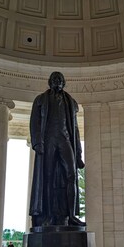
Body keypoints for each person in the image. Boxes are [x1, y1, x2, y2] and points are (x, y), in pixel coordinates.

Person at [29, 71, 85, 227]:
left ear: (64, 82)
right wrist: (37, 143)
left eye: (59, 79)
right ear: (49, 82)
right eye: (54, 79)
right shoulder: (40, 100)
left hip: (65, 139)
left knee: (72, 175)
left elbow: (75, 128)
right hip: (48, 141)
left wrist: (79, 153)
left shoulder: (71, 102)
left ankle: (71, 215)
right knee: (47, 177)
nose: (57, 81)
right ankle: (48, 215)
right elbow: (35, 123)